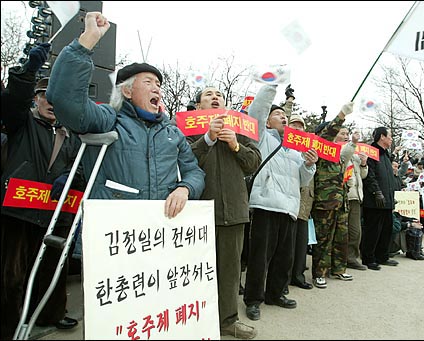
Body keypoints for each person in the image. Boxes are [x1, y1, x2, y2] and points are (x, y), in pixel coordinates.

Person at [46, 12, 205, 216]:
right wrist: (86, 43)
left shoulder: (172, 134)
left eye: (158, 84)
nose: (156, 88)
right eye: (148, 82)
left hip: (157, 232)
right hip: (112, 234)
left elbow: (194, 171)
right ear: (127, 91)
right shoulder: (109, 120)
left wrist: (185, 189)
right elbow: (67, 102)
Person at [1, 44, 83, 338]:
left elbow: (79, 167)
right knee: (11, 272)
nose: (50, 101)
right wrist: (27, 73)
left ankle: (51, 312)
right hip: (17, 208)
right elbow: (12, 101)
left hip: (53, 210)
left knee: (51, 268)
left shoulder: (70, 134)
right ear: (36, 99)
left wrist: (70, 181)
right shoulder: (22, 122)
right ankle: (8, 324)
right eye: (43, 96)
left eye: (54, 97)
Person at [186, 86, 261, 339]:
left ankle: (228, 321)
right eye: (208, 94)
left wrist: (236, 145)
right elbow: (183, 161)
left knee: (230, 273)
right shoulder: (187, 128)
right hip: (198, 212)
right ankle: (195, 319)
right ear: (198, 107)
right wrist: (207, 138)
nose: (215, 97)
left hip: (234, 211)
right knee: (196, 272)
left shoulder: (239, 128)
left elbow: (253, 163)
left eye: (218, 94)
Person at [243, 84, 317, 321]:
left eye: (286, 116)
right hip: (265, 204)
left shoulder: (296, 148)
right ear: (267, 122)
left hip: (289, 207)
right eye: (278, 115)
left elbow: (303, 180)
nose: (284, 118)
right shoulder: (262, 137)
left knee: (284, 256)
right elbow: (258, 111)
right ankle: (253, 299)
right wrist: (271, 85)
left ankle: (276, 293)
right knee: (259, 256)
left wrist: (309, 164)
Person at [311, 104, 357, 288]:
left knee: (341, 237)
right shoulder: (320, 149)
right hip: (325, 202)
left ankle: (339, 268)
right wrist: (342, 114)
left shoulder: (337, 154)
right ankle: (319, 273)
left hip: (341, 202)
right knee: (323, 239)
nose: (341, 135)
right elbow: (329, 132)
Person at [361, 127, 399, 270]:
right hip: (374, 201)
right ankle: (368, 258)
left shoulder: (386, 155)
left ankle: (382, 256)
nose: (391, 139)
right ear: (382, 137)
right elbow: (369, 175)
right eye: (390, 136)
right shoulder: (371, 152)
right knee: (373, 230)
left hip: (387, 200)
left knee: (386, 229)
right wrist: (376, 192)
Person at [287, 114, 314, 290]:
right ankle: (283, 277)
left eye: (300, 126)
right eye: (293, 125)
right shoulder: (283, 145)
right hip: (287, 200)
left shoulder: (309, 148)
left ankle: (298, 275)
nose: (297, 129)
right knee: (286, 243)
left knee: (301, 242)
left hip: (305, 201)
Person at [346, 130, 369, 271]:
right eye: (342, 133)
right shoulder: (340, 151)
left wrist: (363, 164)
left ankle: (352, 257)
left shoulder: (355, 155)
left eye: (345, 134)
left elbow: (363, 175)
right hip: (344, 196)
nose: (344, 136)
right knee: (341, 231)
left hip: (356, 197)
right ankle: (339, 259)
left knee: (355, 231)